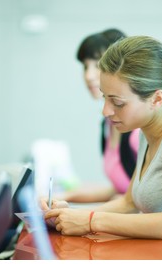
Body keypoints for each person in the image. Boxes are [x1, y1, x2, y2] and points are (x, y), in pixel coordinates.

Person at [44, 35, 162, 260]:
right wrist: (70, 216)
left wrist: (91, 220)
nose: (106, 110)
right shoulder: (146, 132)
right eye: (105, 98)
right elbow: (129, 202)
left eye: (118, 103)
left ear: (157, 99)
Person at [59, 28, 140, 203]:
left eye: (97, 65)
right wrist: (64, 197)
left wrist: (86, 217)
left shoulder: (139, 131)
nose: (88, 76)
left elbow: (142, 201)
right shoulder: (108, 123)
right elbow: (121, 188)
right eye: (85, 67)